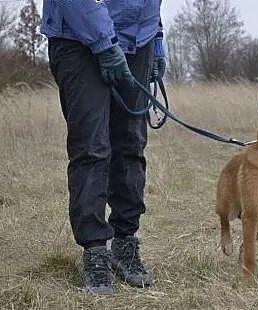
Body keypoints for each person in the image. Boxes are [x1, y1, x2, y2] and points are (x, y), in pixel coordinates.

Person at [41, 0, 166, 295]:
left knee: (131, 144)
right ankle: (95, 251)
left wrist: (157, 39)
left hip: (138, 37)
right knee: (91, 147)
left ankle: (125, 242)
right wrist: (104, 43)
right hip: (78, 37)